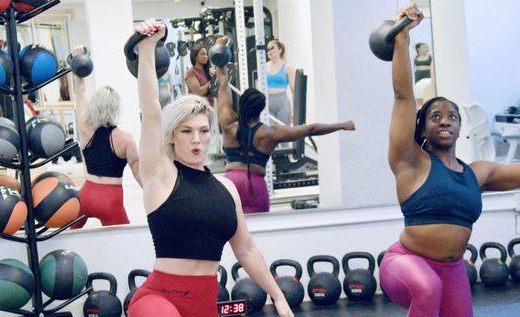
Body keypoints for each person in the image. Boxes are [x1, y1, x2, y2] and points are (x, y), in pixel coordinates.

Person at [379, 5, 520, 317]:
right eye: (435, 117)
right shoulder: (411, 162)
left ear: (460, 127)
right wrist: (403, 39)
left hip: (450, 270)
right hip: (405, 263)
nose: (445, 121)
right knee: (427, 288)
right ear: (422, 127)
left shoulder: (475, 173)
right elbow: (403, 97)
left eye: (452, 116)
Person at [127, 20, 293, 317]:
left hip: (204, 302)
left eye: (203, 131)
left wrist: (278, 297)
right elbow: (152, 112)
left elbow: (246, 250)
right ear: (172, 136)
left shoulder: (227, 188)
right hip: (159, 298)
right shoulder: (160, 175)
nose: (197, 139)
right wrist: (148, 47)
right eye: (186, 131)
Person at [216, 66, 355, 214]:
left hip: (231, 183)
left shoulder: (228, 125)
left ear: (241, 104)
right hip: (255, 185)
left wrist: (221, 67)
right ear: (262, 109)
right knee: (260, 233)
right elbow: (311, 129)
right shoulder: (271, 133)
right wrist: (342, 125)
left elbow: (223, 86)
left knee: (227, 233)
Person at [70, 46, 141, 229]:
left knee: (69, 236)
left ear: (94, 106)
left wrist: (78, 59)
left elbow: (81, 92)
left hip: (85, 194)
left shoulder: (85, 129)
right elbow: (139, 174)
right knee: (123, 242)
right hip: (110, 199)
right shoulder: (126, 139)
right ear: (117, 108)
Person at [266, 39, 295, 126]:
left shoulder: (287, 67)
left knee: (283, 134)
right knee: (269, 134)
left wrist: (294, 111)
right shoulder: (263, 66)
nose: (269, 51)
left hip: (282, 103)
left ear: (280, 50)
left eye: (272, 48)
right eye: (268, 49)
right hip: (267, 103)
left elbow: (294, 91)